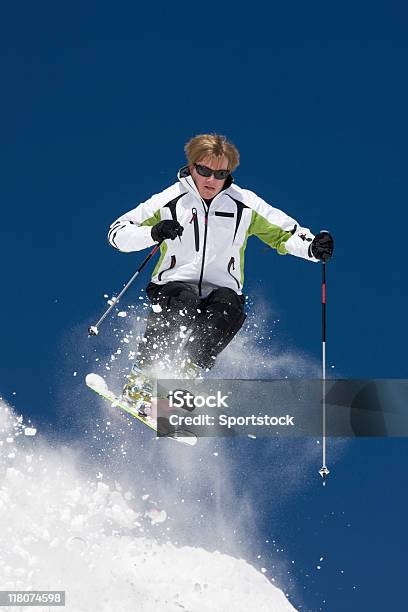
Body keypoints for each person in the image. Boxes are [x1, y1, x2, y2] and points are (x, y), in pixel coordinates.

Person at [108, 134, 333, 409]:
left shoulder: (244, 204)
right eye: (204, 171)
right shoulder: (171, 199)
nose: (211, 180)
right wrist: (153, 232)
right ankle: (143, 380)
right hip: (173, 285)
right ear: (191, 167)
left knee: (230, 307)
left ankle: (182, 381)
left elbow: (284, 234)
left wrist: (312, 248)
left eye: (220, 173)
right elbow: (118, 233)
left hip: (221, 289)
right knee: (184, 301)